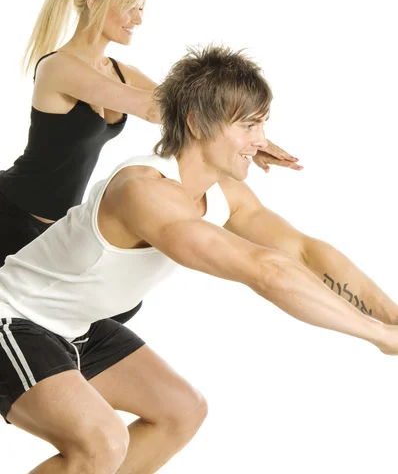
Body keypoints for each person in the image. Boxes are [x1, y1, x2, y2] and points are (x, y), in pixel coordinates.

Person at [0, 45, 396, 474]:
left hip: (75, 325)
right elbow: (266, 272)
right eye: (248, 125)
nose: (261, 141)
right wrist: (377, 335)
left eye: (262, 124)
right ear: (195, 123)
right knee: (100, 442)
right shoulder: (144, 191)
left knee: (179, 411)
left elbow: (302, 251)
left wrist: (392, 318)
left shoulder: (223, 193)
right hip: (13, 318)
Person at [0, 0, 301, 281]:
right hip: (12, 208)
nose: (138, 19)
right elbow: (156, 108)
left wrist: (251, 137)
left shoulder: (119, 72)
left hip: (55, 225)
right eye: (129, 6)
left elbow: (190, 111)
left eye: (141, 8)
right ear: (94, 0)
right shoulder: (58, 67)